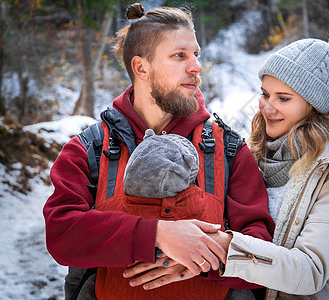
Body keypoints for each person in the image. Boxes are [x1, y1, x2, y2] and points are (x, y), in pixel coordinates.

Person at [139, 31, 329, 299]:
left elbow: (310, 270)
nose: (267, 108)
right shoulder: (255, 156)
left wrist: (223, 248)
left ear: (312, 104)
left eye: (283, 98)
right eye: (265, 94)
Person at [43, 3, 274, 300]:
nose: (196, 67)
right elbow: (62, 233)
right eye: (179, 56)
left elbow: (261, 243)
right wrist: (158, 235)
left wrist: (205, 257)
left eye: (196, 55)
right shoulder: (89, 148)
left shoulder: (229, 149)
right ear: (141, 67)